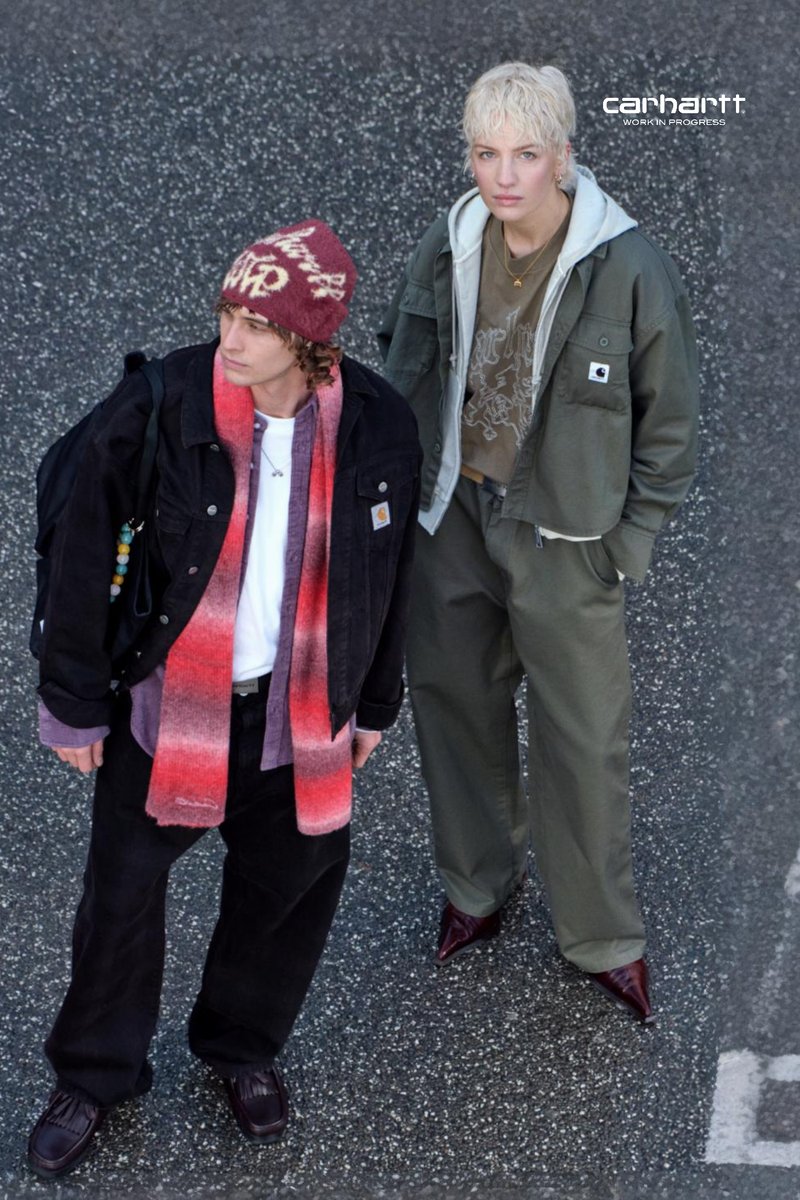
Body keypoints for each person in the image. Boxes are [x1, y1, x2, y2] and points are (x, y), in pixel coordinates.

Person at [29, 219, 420, 1178]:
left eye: (257, 325)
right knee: (121, 901)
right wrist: (72, 699)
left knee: (286, 896)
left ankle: (241, 1049)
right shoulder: (161, 405)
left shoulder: (378, 423)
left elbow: (391, 572)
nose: (230, 339)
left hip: (302, 712)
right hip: (172, 709)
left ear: (310, 339)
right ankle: (93, 1075)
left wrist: (374, 703)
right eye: (227, 314)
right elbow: (78, 547)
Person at [378, 63, 698, 1022]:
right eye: (486, 154)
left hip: (566, 535)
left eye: (525, 154)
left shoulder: (628, 266)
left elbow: (671, 426)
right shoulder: (452, 239)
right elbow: (404, 362)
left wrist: (623, 544)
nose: (504, 176)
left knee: (583, 739)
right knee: (455, 708)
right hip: (455, 517)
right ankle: (476, 888)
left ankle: (601, 936)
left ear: (563, 154)